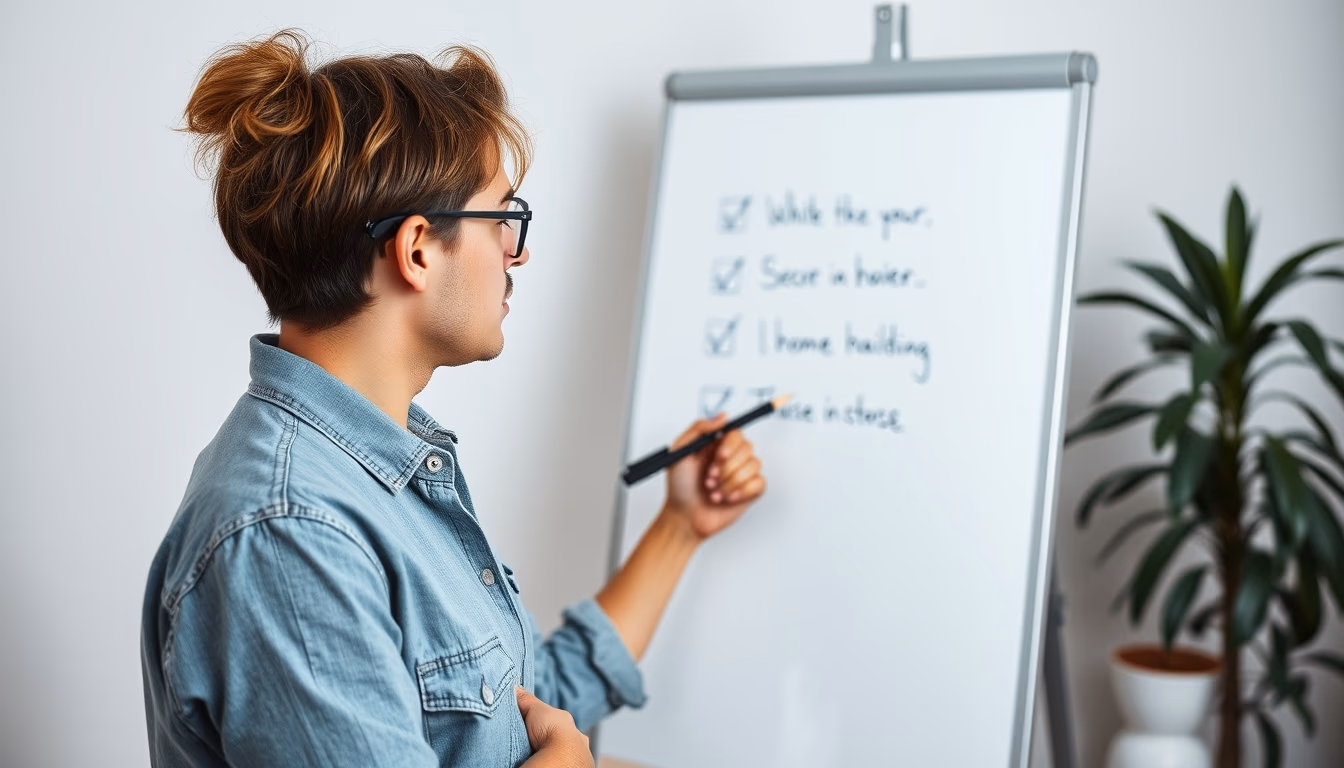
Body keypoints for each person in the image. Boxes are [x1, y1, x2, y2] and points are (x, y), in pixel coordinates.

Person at [139, 31, 767, 768]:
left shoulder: (379, 474)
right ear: (416, 250)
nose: (517, 250)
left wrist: (680, 526)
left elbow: (527, 708)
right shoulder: (290, 535)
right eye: (502, 218)